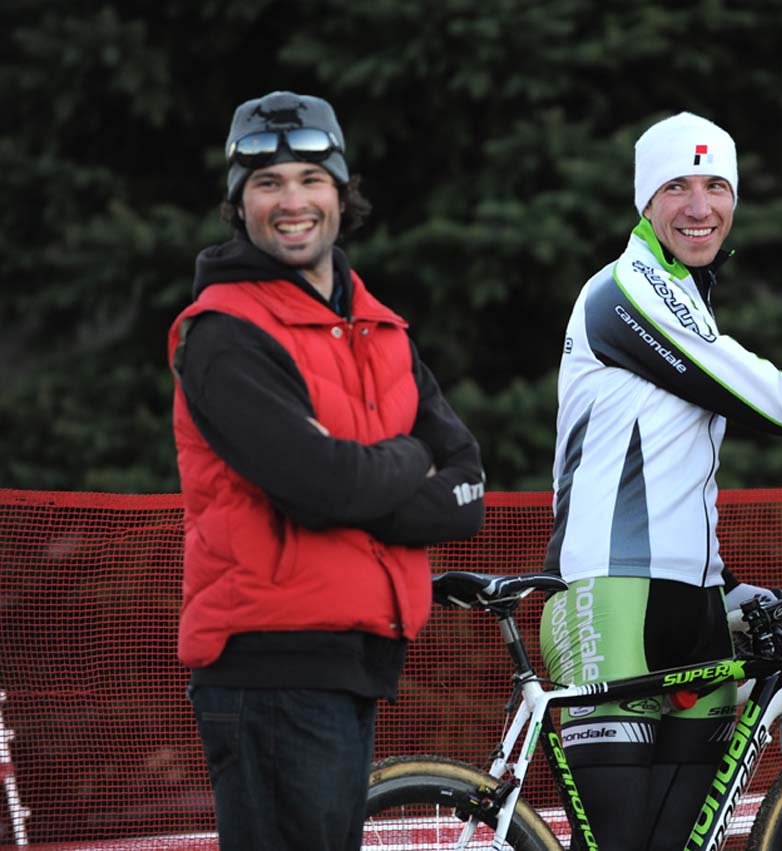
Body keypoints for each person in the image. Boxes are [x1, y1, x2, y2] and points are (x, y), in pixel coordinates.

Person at [538, 111, 782, 850]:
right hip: (610, 597)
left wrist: (721, 581)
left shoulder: (685, 294)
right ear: (644, 201)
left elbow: (677, 465)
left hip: (692, 607)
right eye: (677, 186)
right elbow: (777, 402)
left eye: (717, 185)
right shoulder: (625, 288)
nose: (700, 206)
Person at [167, 91, 486, 850]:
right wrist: (410, 457)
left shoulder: (380, 326)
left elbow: (467, 488)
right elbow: (321, 487)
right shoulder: (222, 334)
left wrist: (359, 477)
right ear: (237, 204)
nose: (292, 201)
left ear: (342, 194)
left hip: (355, 660)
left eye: (310, 179)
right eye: (267, 182)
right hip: (269, 666)